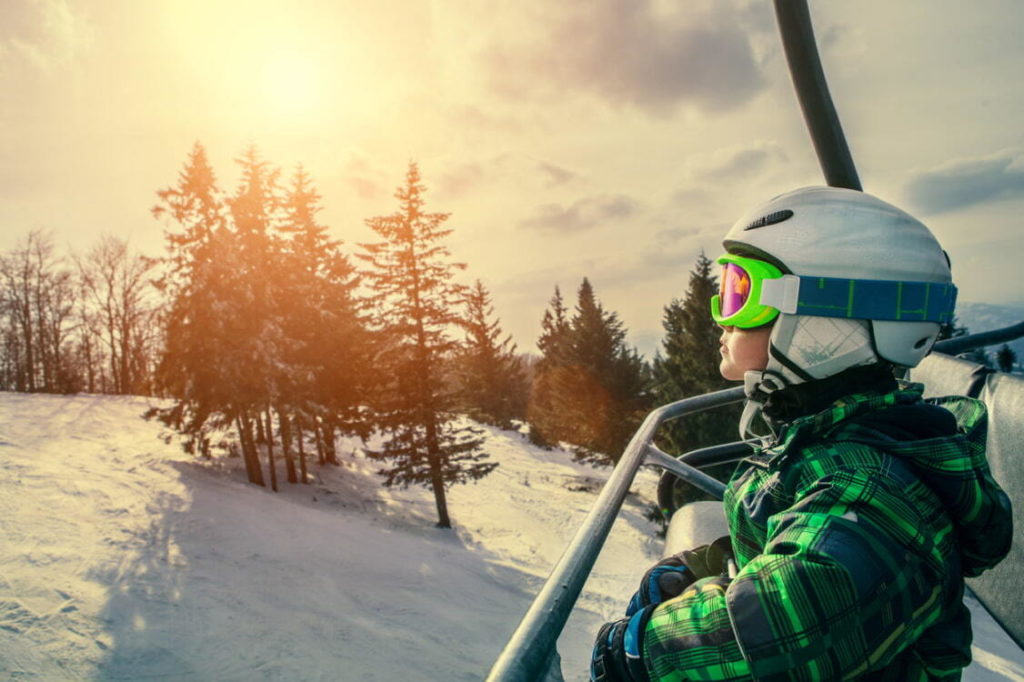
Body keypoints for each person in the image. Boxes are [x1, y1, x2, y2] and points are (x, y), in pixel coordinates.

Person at [590, 187, 1013, 681]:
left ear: (823, 321)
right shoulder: (822, 437)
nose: (720, 315)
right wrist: (710, 564)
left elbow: (787, 626)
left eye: (741, 293)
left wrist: (639, 650)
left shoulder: (873, 489)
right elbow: (796, 532)